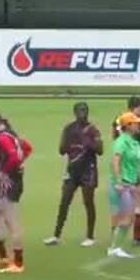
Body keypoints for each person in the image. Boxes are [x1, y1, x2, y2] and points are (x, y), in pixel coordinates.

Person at [0, 111, 33, 274]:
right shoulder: (11, 134)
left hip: (10, 185)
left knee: (12, 224)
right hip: (9, 184)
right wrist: (18, 165)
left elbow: (14, 157)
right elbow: (27, 149)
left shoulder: (3, 138)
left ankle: (18, 263)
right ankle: (3, 257)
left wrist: (5, 171)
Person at [46, 102, 102, 247]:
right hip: (72, 170)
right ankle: (56, 235)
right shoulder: (69, 128)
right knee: (64, 201)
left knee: (88, 202)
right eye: (80, 110)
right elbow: (61, 150)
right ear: (75, 112)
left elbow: (100, 150)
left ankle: (90, 236)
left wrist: (88, 142)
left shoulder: (92, 130)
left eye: (85, 110)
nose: (83, 113)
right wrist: (68, 142)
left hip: (88, 170)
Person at [112, 96, 140, 246]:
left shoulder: (119, 120)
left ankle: (123, 237)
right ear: (132, 108)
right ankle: (130, 237)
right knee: (134, 201)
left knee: (137, 198)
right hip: (133, 162)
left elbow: (114, 137)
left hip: (133, 161)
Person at [107, 112, 140, 260]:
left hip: (131, 184)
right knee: (127, 217)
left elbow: (136, 162)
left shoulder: (134, 142)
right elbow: (116, 161)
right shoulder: (121, 142)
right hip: (122, 184)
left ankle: (115, 246)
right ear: (128, 126)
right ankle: (114, 247)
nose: (138, 125)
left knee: (128, 217)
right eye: (135, 123)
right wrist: (118, 181)